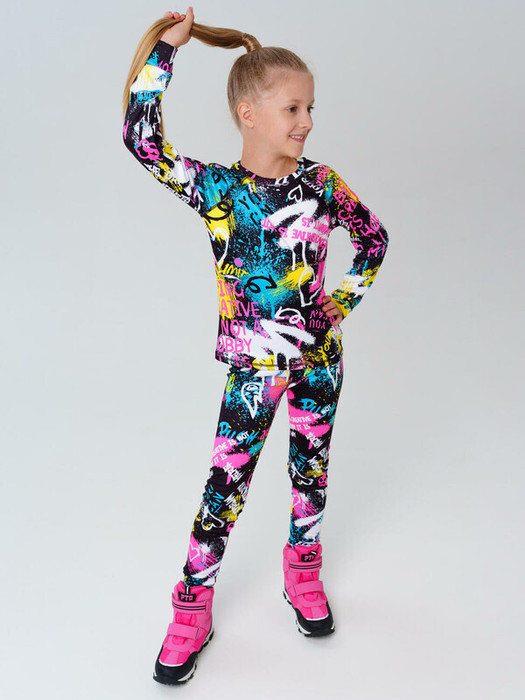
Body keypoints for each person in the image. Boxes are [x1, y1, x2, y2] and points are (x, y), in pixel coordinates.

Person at [123, 6, 389, 685]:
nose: (307, 121)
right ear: (249, 114)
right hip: (253, 372)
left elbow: (374, 239)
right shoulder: (219, 189)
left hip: (319, 363)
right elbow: (140, 140)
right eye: (292, 108)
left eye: (310, 108)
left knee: (310, 474)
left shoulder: (321, 186)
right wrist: (166, 50)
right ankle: (192, 606)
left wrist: (338, 306)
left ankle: (303, 572)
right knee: (226, 486)